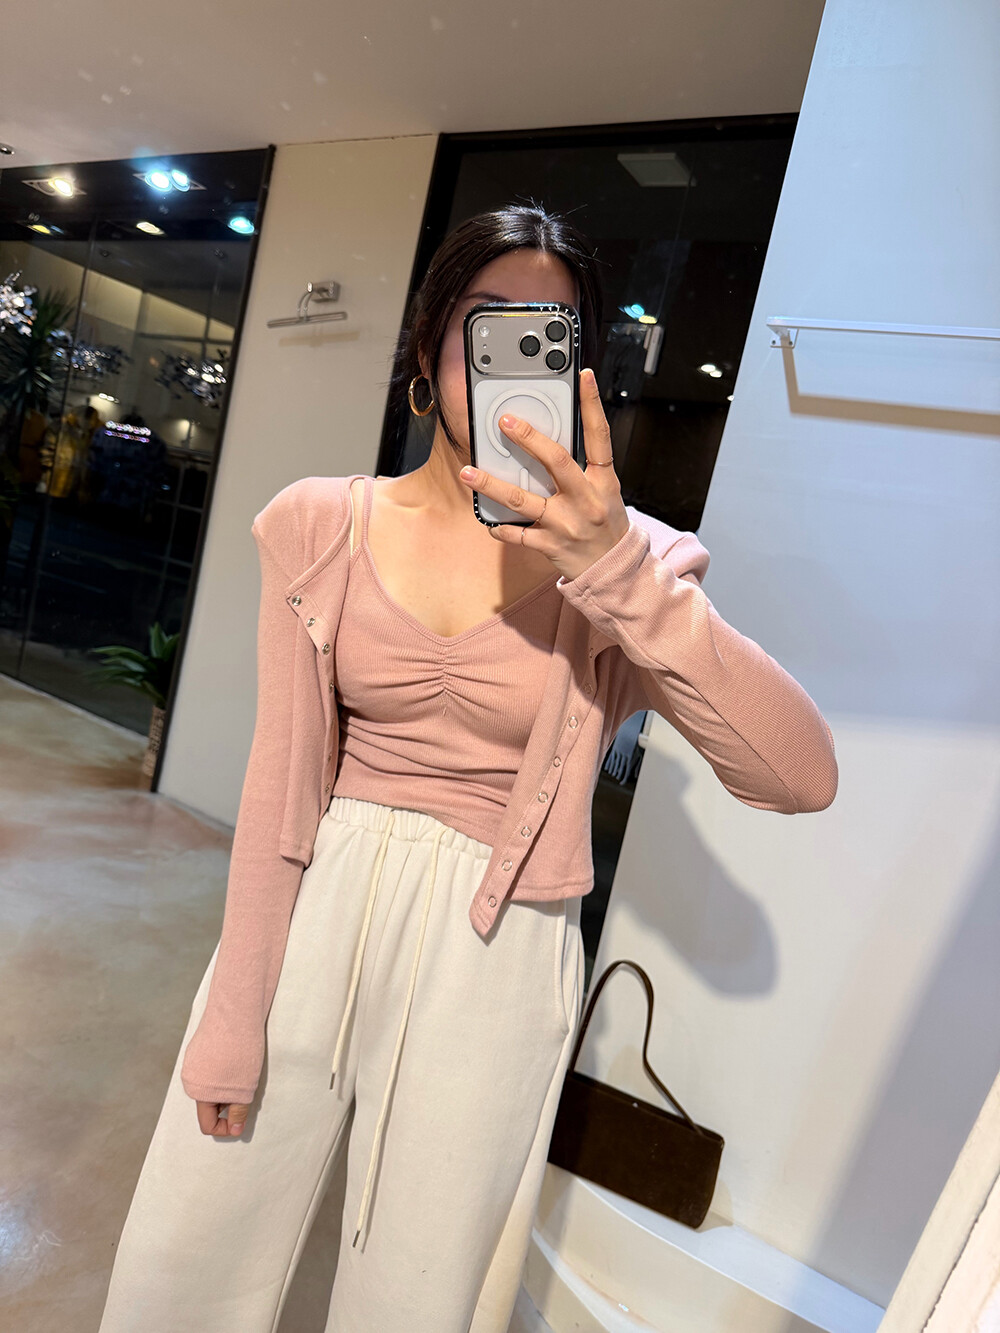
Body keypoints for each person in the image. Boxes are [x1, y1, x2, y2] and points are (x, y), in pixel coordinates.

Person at [99, 204, 838, 1333]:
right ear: (428, 342)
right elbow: (279, 793)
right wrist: (234, 1011)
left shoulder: (629, 563)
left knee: (417, 1290)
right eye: (486, 324)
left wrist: (618, 574)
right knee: (187, 1254)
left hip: (499, 955)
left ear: (581, 367)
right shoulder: (320, 525)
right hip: (318, 908)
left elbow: (798, 776)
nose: (510, 359)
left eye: (549, 331)